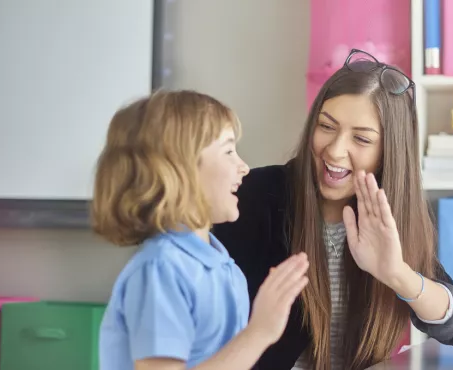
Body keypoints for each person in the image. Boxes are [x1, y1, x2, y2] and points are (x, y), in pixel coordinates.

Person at [212, 49, 453, 370]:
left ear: (388, 154)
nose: (336, 151)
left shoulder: (388, 215)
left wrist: (396, 273)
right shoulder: (254, 194)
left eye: (362, 140)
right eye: (326, 126)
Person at [91, 90, 310, 370]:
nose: (243, 167)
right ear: (181, 170)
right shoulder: (161, 269)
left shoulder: (224, 267)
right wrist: (259, 333)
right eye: (229, 151)